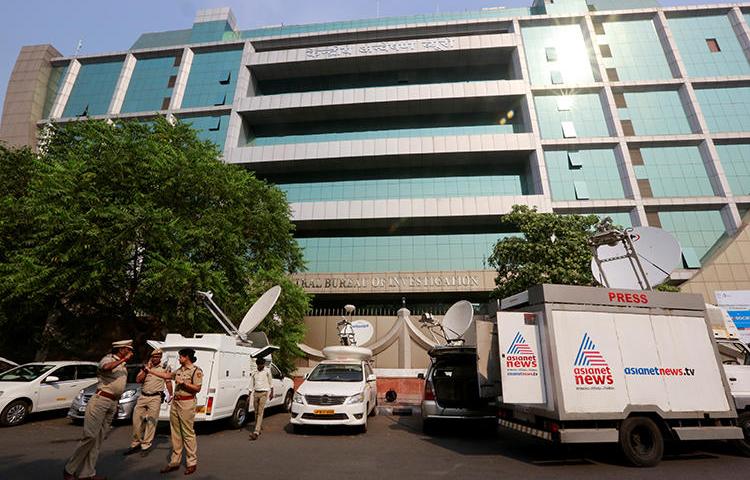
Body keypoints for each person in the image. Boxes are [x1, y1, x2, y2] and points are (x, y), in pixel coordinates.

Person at [63, 340, 133, 480]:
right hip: (100, 401)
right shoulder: (108, 359)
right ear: (120, 349)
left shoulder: (122, 364)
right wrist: (124, 360)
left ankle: (87, 473)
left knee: (98, 440)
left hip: (112, 402)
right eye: (127, 348)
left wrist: (117, 403)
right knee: (90, 436)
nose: (130, 351)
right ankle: (69, 469)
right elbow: (106, 368)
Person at [156, 348, 202, 476]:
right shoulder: (179, 370)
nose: (179, 358)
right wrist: (151, 372)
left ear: (186, 357)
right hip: (176, 402)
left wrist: (184, 384)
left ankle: (191, 462)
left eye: (180, 356)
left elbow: (197, 388)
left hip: (187, 403)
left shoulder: (196, 371)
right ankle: (174, 462)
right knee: (175, 432)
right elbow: (168, 376)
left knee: (187, 433)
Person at [124, 348, 172, 457]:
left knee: (151, 422)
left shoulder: (164, 368)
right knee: (136, 420)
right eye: (154, 357)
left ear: (160, 357)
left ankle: (146, 445)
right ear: (151, 357)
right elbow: (138, 380)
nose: (155, 358)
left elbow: (168, 381)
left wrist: (171, 395)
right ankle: (135, 442)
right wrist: (146, 370)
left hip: (155, 397)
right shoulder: (146, 367)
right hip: (143, 396)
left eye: (158, 357)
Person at [249, 357, 273, 441]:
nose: (261, 366)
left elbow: (270, 381)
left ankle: (256, 431)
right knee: (255, 412)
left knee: (260, 412)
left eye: (262, 365)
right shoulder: (254, 372)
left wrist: (271, 392)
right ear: (257, 365)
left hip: (264, 393)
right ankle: (257, 427)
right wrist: (249, 394)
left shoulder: (267, 371)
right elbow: (251, 383)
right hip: (256, 393)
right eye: (260, 365)